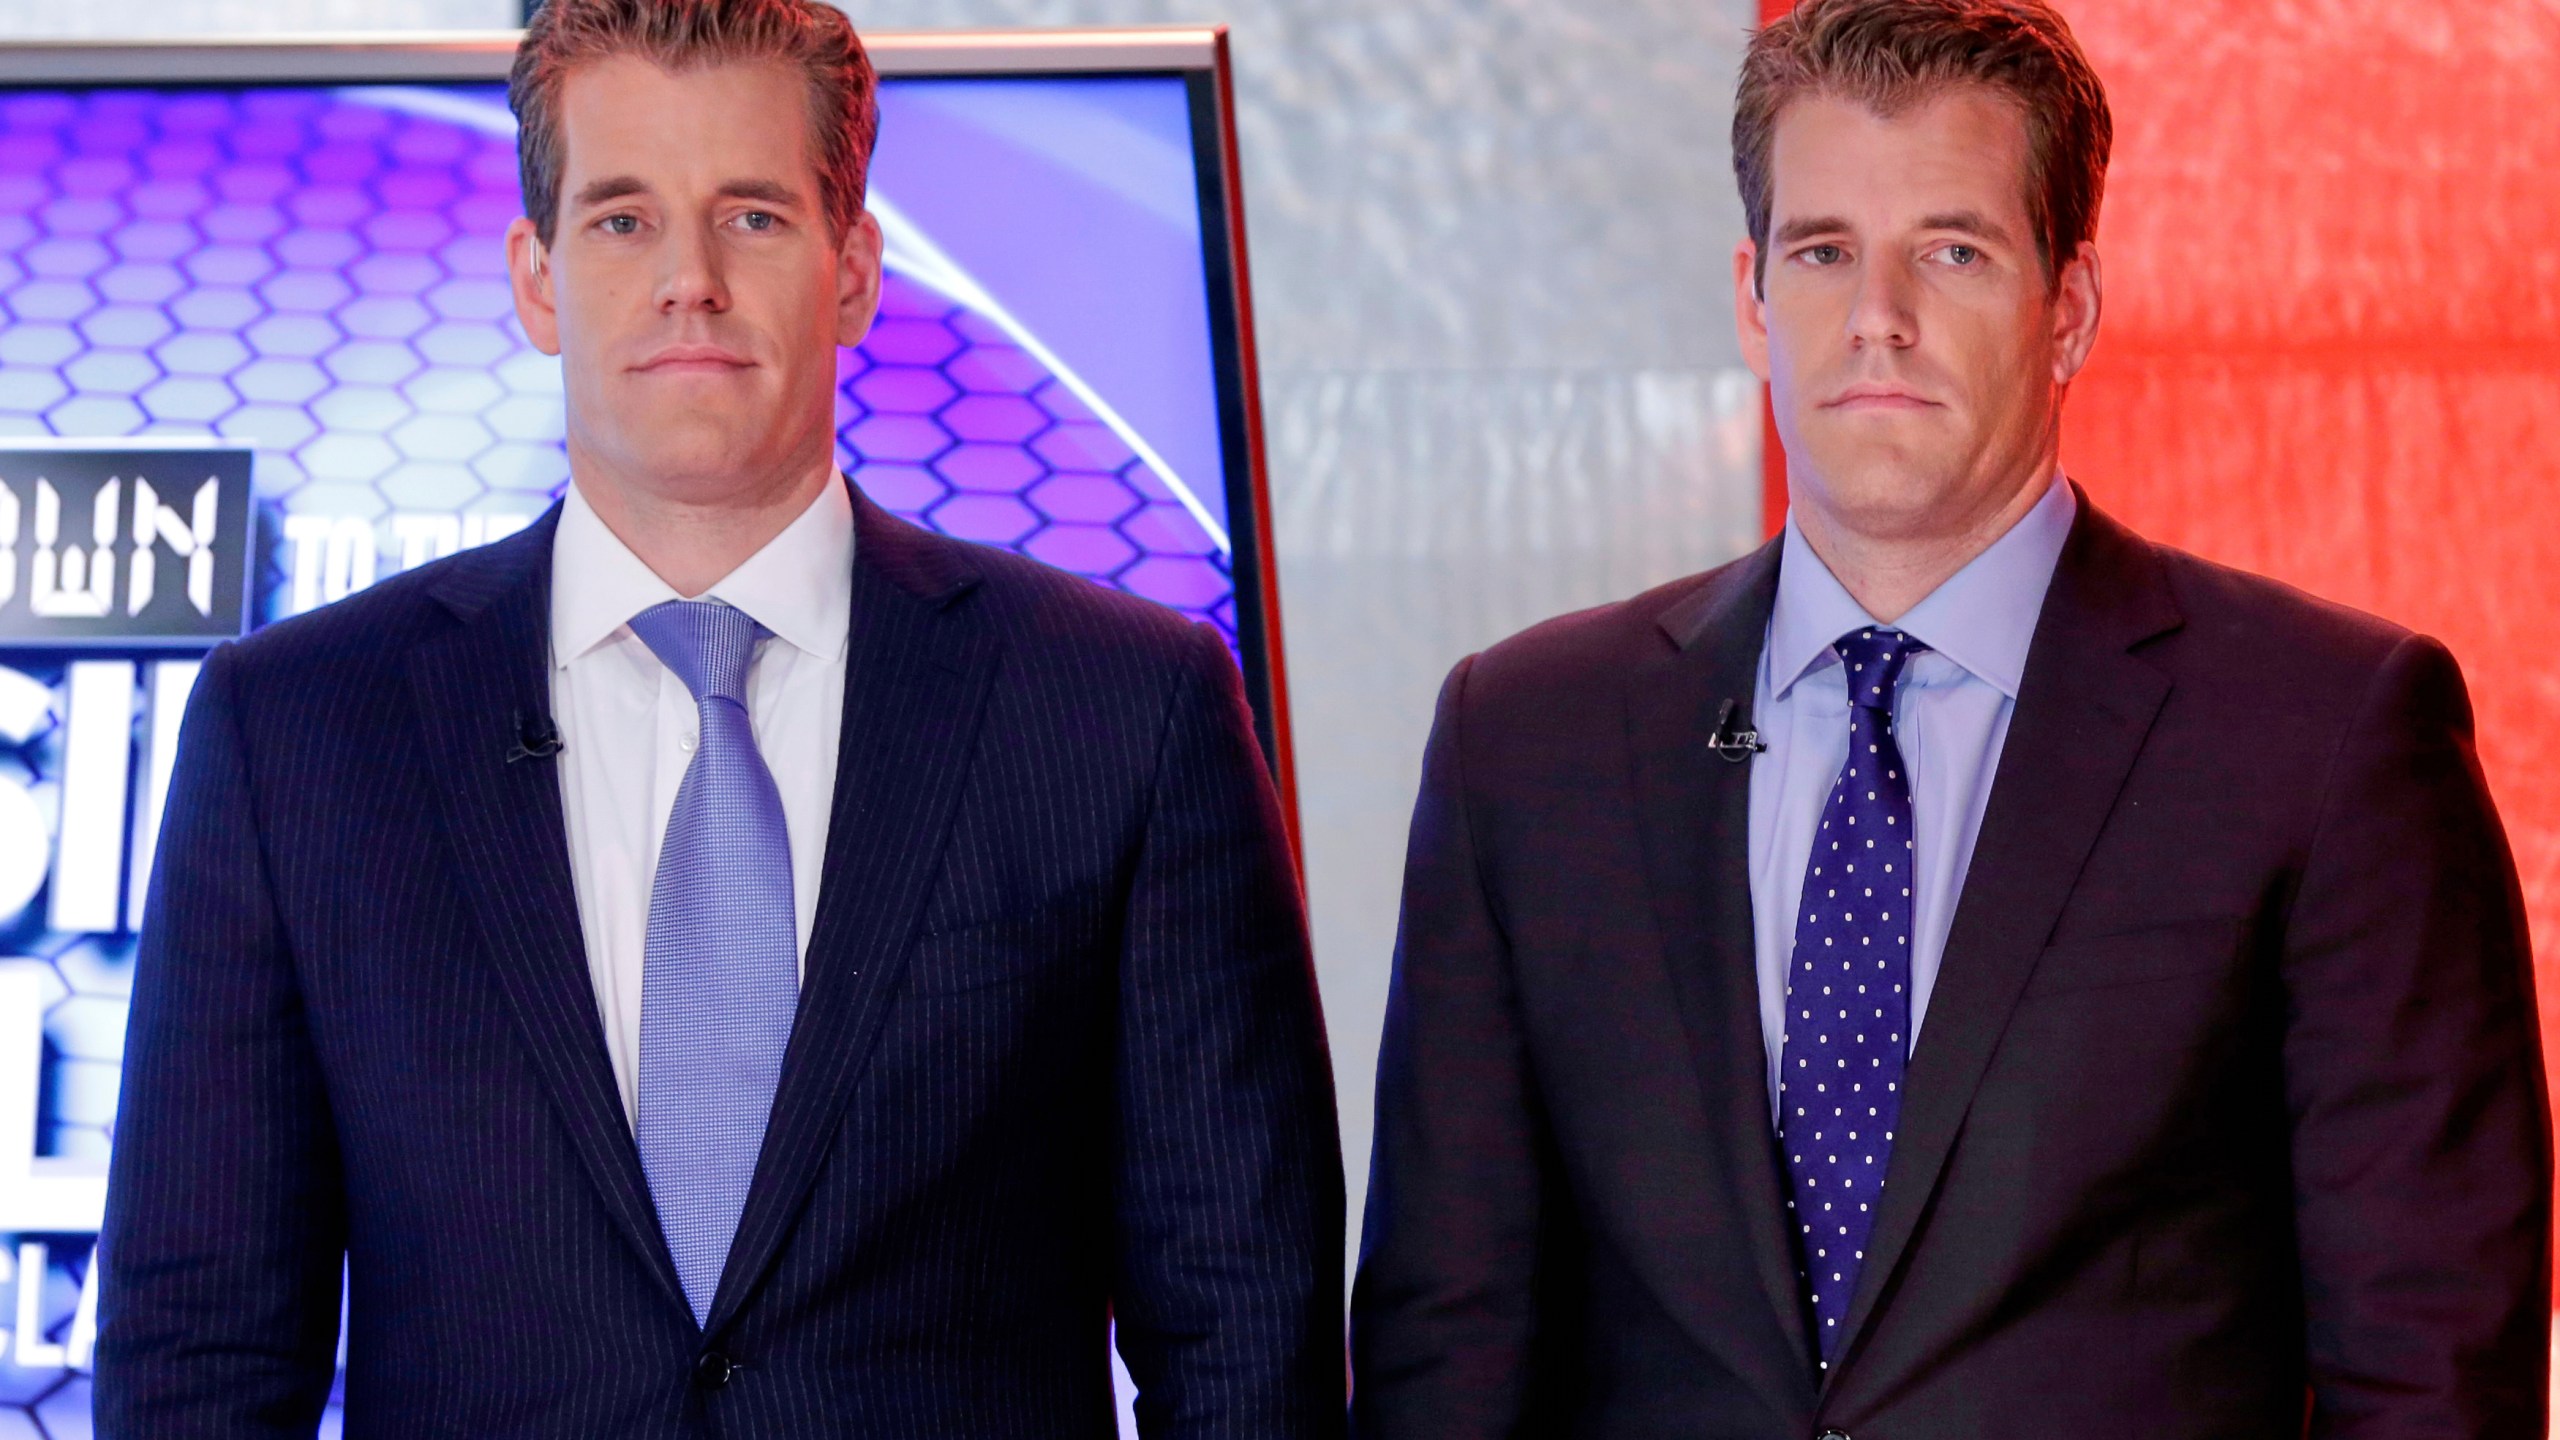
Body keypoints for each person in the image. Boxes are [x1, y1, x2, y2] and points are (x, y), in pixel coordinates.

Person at [96, 1, 1344, 1434]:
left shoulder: (1127, 709)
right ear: (536, 277)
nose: (689, 279)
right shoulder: (296, 734)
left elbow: (1245, 1330)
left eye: (750, 216)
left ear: (857, 268)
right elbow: (198, 1351)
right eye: (623, 222)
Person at [1349, 0, 2548, 1433]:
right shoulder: (1525, 742)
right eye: (1824, 251)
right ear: (1751, 297)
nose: (1879, 318)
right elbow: (1447, 1344)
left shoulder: (2328, 734)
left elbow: (2433, 1364)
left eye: (1954, 250)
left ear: (2071, 308)